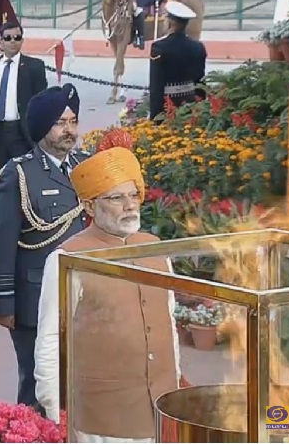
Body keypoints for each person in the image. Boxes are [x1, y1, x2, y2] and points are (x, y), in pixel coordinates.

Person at [33, 146, 181, 442]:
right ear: (89, 207)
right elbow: (49, 339)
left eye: (133, 195)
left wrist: (174, 378)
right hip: (101, 417)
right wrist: (55, 414)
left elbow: (170, 323)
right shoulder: (68, 258)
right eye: (116, 197)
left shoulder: (156, 249)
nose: (129, 205)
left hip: (161, 407)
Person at [0, 83, 90, 407]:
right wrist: (3, 303)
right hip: (36, 302)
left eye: (73, 121)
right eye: (60, 123)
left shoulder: (87, 167)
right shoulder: (18, 175)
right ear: (43, 127)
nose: (69, 130)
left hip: (83, 298)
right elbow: (0, 243)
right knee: (38, 386)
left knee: (81, 383)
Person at [0, 21, 48, 186]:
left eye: (17, 38)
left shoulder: (34, 67)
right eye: (8, 38)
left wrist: (42, 137)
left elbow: (42, 104)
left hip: (20, 133)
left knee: (22, 182)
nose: (13, 41)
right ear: (0, 41)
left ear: (22, 40)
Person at [148, 0, 206, 122]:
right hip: (191, 108)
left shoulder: (159, 48)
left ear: (170, 23)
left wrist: (155, 117)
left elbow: (156, 87)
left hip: (168, 108)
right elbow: (200, 82)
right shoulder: (198, 47)